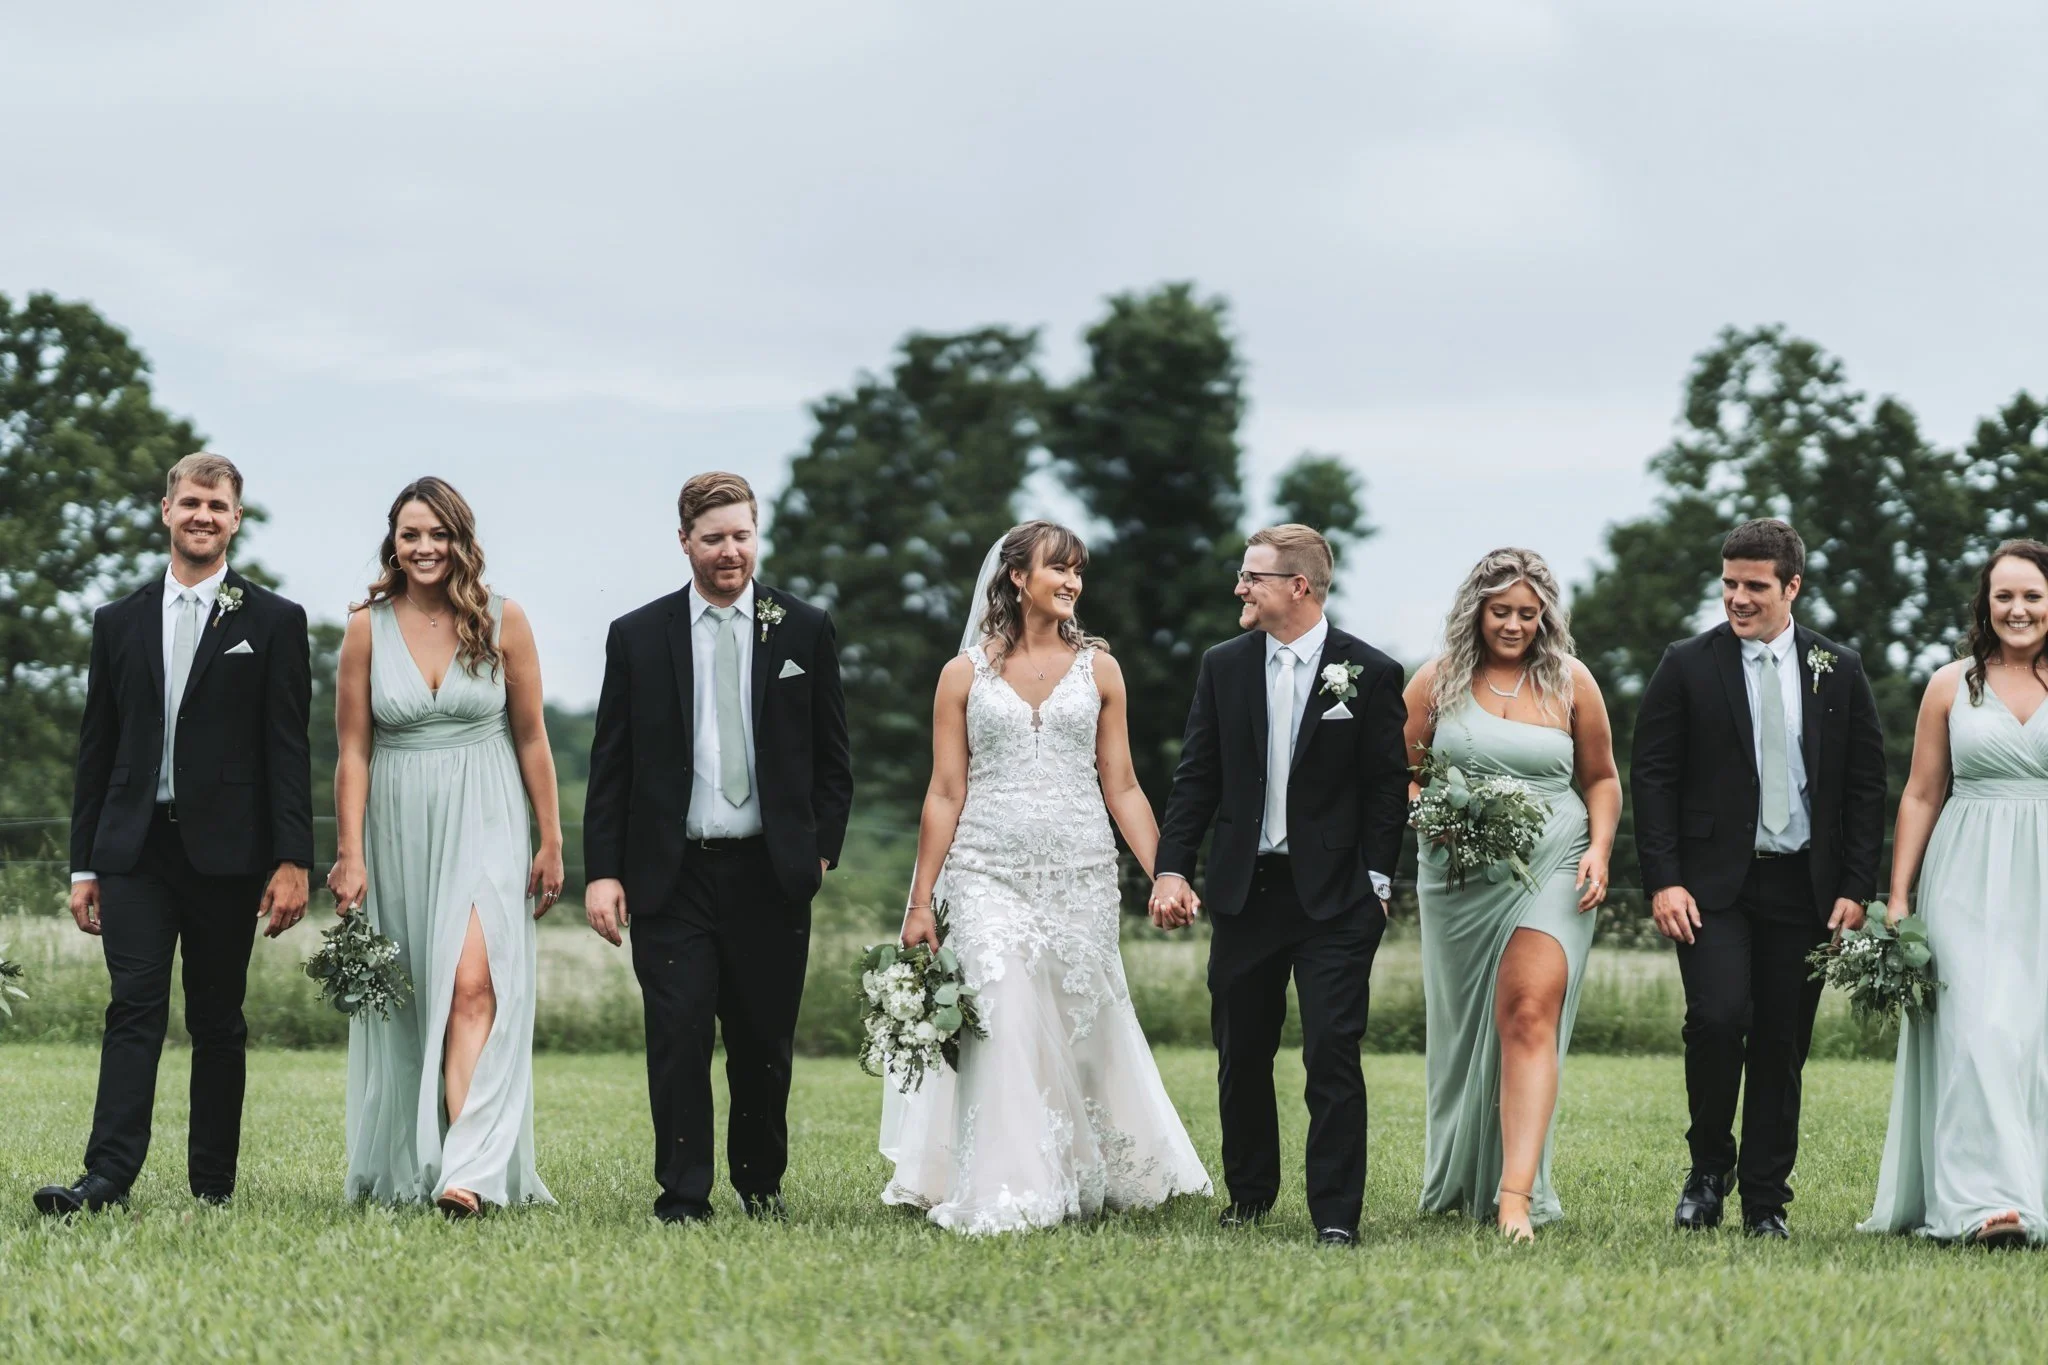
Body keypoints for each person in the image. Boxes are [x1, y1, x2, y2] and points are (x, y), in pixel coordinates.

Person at [879, 522, 1211, 1234]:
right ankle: (1010, 1186)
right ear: (1016, 578)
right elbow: (944, 790)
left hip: (1080, 873)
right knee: (999, 1013)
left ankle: (1100, 1165)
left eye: (1078, 572)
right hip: (984, 871)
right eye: (1058, 569)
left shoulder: (1101, 670)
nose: (1071, 583)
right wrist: (920, 902)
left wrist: (1167, 873)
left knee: (1081, 1023)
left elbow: (1122, 785)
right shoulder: (962, 675)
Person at [35, 452, 312, 1215]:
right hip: (133, 850)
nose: (203, 516)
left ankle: (212, 1184)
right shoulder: (116, 621)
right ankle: (106, 1177)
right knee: (134, 1006)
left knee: (217, 1017)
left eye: (218, 507)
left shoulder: (275, 622)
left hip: (229, 854)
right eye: (191, 502)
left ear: (235, 520)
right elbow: (97, 748)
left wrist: (294, 858)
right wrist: (82, 865)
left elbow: (290, 748)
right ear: (166, 510)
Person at [582, 472, 852, 1224]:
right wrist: (603, 872)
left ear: (755, 536)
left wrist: (819, 851)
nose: (730, 551)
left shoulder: (804, 628)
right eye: (714, 538)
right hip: (673, 876)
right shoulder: (637, 635)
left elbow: (835, 761)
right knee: (678, 1035)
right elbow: (611, 766)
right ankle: (683, 1196)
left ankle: (761, 1187)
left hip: (771, 872)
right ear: (684, 543)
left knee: (763, 1044)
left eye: (742, 535)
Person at [1150, 524, 1408, 1247]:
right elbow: (1195, 776)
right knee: (1242, 1051)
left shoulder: (1370, 672)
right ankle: (1251, 1196)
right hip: (1245, 891)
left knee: (1331, 1051)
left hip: (1336, 898)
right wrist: (1173, 865)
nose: (1240, 587)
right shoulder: (1222, 666)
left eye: (1251, 576)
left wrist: (1377, 881)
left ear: (1298, 586)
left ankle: (1335, 1213)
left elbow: (1388, 787)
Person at [1631, 518, 1885, 1239]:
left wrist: (1854, 886)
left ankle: (1766, 1200)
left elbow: (1866, 787)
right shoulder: (1685, 664)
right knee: (1716, 1019)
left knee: (1781, 1042)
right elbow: (1652, 777)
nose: (1738, 598)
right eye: (1729, 583)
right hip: (1712, 887)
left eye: (1754, 586)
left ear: (1792, 587)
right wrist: (1663, 879)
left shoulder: (1840, 667)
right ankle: (1708, 1170)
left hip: (1806, 887)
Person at [326, 477, 562, 1215]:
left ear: (462, 540)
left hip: (488, 812)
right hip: (397, 821)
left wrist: (552, 837)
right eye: (410, 534)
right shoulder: (367, 627)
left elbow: (531, 735)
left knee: (473, 984)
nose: (424, 547)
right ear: (393, 543)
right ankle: (432, 1162)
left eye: (438, 534)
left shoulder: (504, 620)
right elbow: (353, 751)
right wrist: (350, 851)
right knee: (412, 1000)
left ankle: (469, 1167)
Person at [1403, 549, 1620, 1242]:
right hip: (1461, 878)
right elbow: (1400, 773)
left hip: (1554, 863)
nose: (1516, 625)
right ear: (1476, 609)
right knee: (1471, 1031)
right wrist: (1436, 818)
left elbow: (1603, 779)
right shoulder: (1436, 681)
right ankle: (1463, 1172)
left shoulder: (1571, 682)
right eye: (1503, 611)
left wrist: (1600, 849)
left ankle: (1516, 1198)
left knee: (1531, 1013)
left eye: (1530, 613)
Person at [1861, 540, 2048, 1247]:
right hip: (1967, 869)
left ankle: (2032, 1188)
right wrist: (1900, 894)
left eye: (2032, 595)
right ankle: (1984, 1204)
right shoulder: (1951, 684)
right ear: (1985, 603)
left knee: (2033, 1036)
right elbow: (1920, 791)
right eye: (2005, 595)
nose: (2018, 609)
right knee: (1979, 1030)